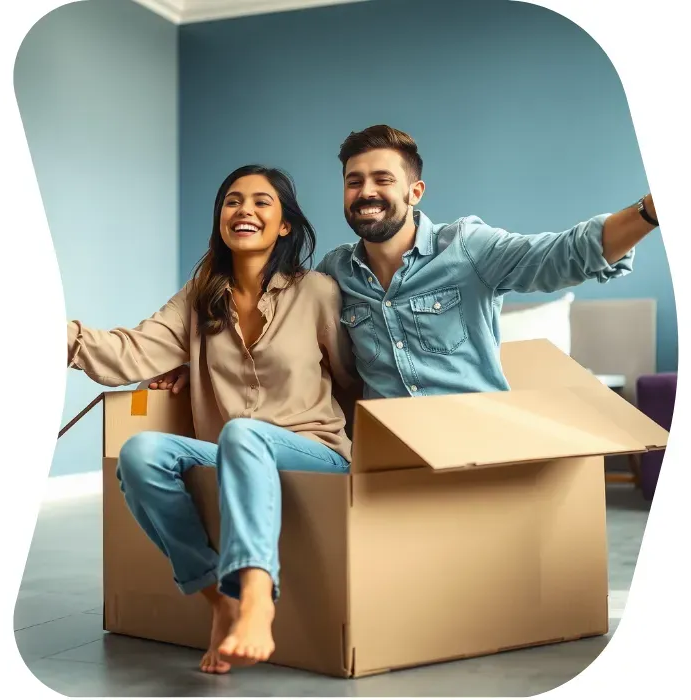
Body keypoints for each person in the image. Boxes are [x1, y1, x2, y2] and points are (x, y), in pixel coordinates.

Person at [66, 165, 358, 675]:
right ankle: (218, 603)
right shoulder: (200, 296)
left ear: (285, 224)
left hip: (315, 453)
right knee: (141, 453)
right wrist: (54, 331)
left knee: (242, 434)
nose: (244, 209)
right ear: (221, 218)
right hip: (234, 453)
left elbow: (354, 380)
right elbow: (131, 351)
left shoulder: (317, 292)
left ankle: (256, 597)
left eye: (261, 202)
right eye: (232, 201)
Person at [155, 124, 660, 401]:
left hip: (477, 436)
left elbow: (566, 254)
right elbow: (266, 321)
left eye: (382, 180)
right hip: (386, 449)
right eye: (354, 181)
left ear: (415, 192)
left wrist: (647, 212)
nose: (366, 192)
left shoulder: (468, 248)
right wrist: (193, 362)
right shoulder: (333, 273)